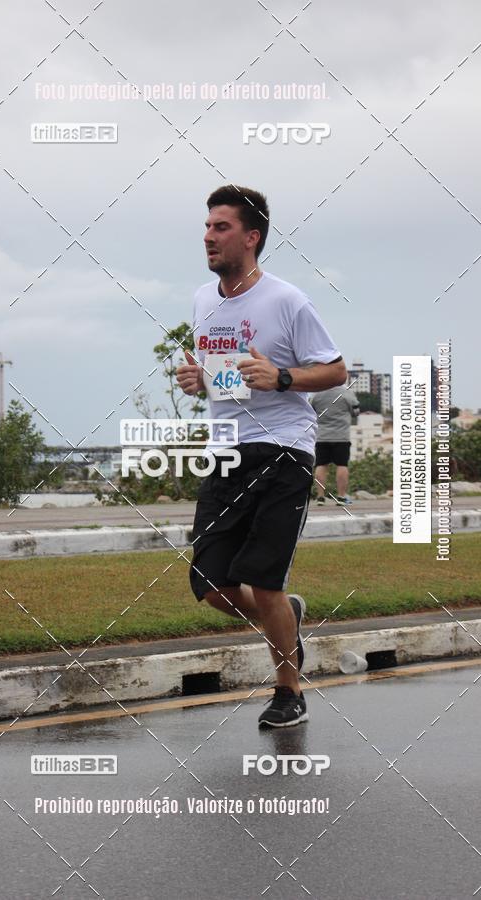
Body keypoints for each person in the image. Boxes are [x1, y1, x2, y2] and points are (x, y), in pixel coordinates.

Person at [176, 185, 346, 727]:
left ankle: (288, 692)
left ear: (251, 237)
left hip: (283, 449)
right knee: (211, 584)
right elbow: (228, 378)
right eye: (207, 226)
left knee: (266, 581)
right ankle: (287, 618)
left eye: (221, 227)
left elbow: (336, 370)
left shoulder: (287, 300)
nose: (208, 236)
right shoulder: (203, 300)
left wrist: (284, 377)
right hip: (224, 452)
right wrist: (198, 379)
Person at [310, 383, 360, 505]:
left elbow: (310, 411)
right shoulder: (347, 392)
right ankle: (341, 497)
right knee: (342, 465)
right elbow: (356, 411)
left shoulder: (316, 394)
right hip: (341, 436)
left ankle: (320, 497)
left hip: (322, 436)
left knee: (321, 465)